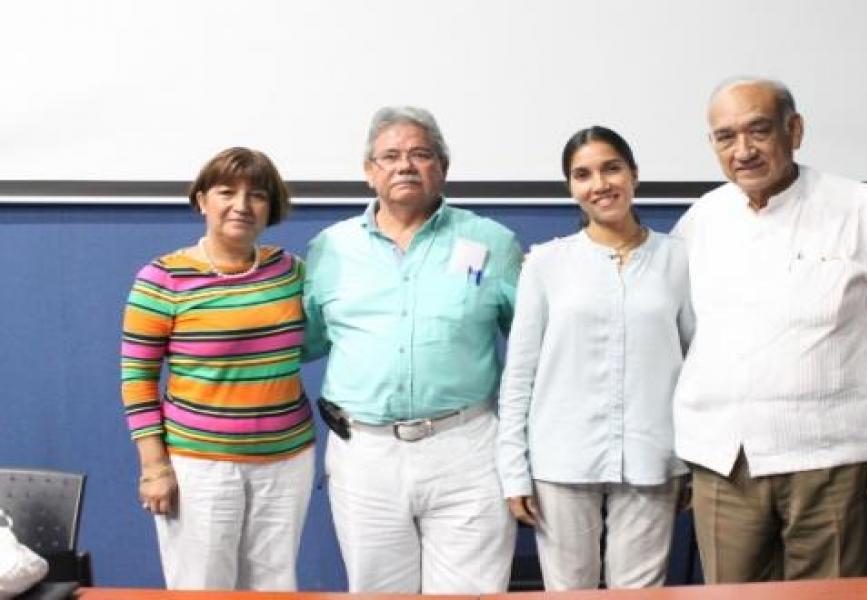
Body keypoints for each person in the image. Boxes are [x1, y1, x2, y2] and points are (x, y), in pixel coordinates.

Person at [672, 77, 867, 582]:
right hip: (725, 461)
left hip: (830, 460)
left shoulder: (860, 207)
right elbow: (677, 338)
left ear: (794, 130)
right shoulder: (701, 220)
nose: (743, 150)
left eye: (758, 131)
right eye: (726, 137)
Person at [303, 106, 522, 594]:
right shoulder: (329, 249)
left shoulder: (491, 242)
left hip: (466, 449)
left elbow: (530, 346)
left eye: (420, 154)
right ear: (369, 171)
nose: (405, 165)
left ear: (442, 167)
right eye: (390, 156)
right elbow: (306, 339)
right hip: (365, 454)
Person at [497, 126, 694, 590]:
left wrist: (692, 461)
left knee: (640, 592)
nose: (600, 184)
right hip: (562, 455)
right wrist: (513, 470)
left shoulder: (679, 259)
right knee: (569, 591)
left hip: (653, 454)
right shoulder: (546, 263)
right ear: (571, 187)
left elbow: (695, 364)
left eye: (611, 168)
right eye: (583, 174)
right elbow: (519, 374)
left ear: (634, 175)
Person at [120, 147, 315, 590]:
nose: (242, 205)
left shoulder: (290, 271)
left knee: (274, 587)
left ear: (271, 207)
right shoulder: (163, 278)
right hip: (200, 465)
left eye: (257, 195)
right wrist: (154, 467)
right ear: (202, 200)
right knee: (203, 588)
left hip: (287, 462)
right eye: (227, 192)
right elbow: (137, 380)